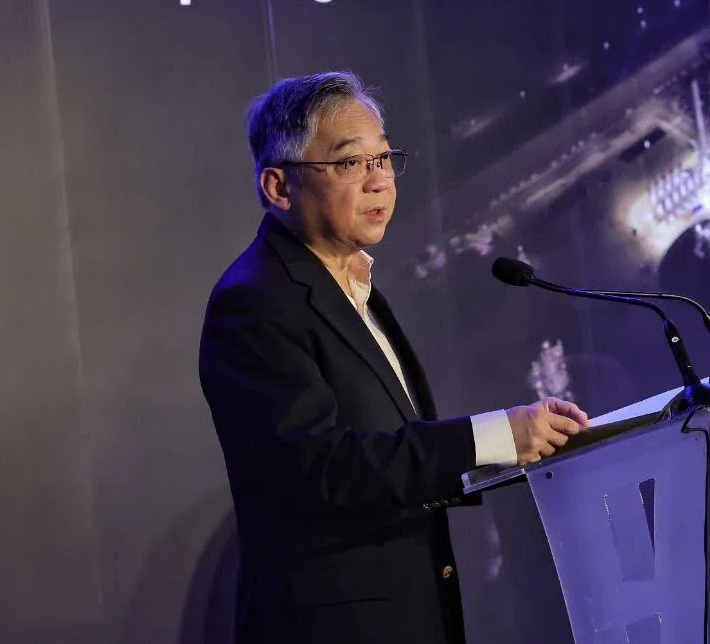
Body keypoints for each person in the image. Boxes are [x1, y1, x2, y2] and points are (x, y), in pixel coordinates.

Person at [199, 72, 589, 644]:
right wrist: (494, 436)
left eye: (385, 160)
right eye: (352, 164)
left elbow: (393, 452)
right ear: (280, 187)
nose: (380, 183)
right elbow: (319, 469)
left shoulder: (353, 284)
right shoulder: (253, 302)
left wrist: (524, 445)